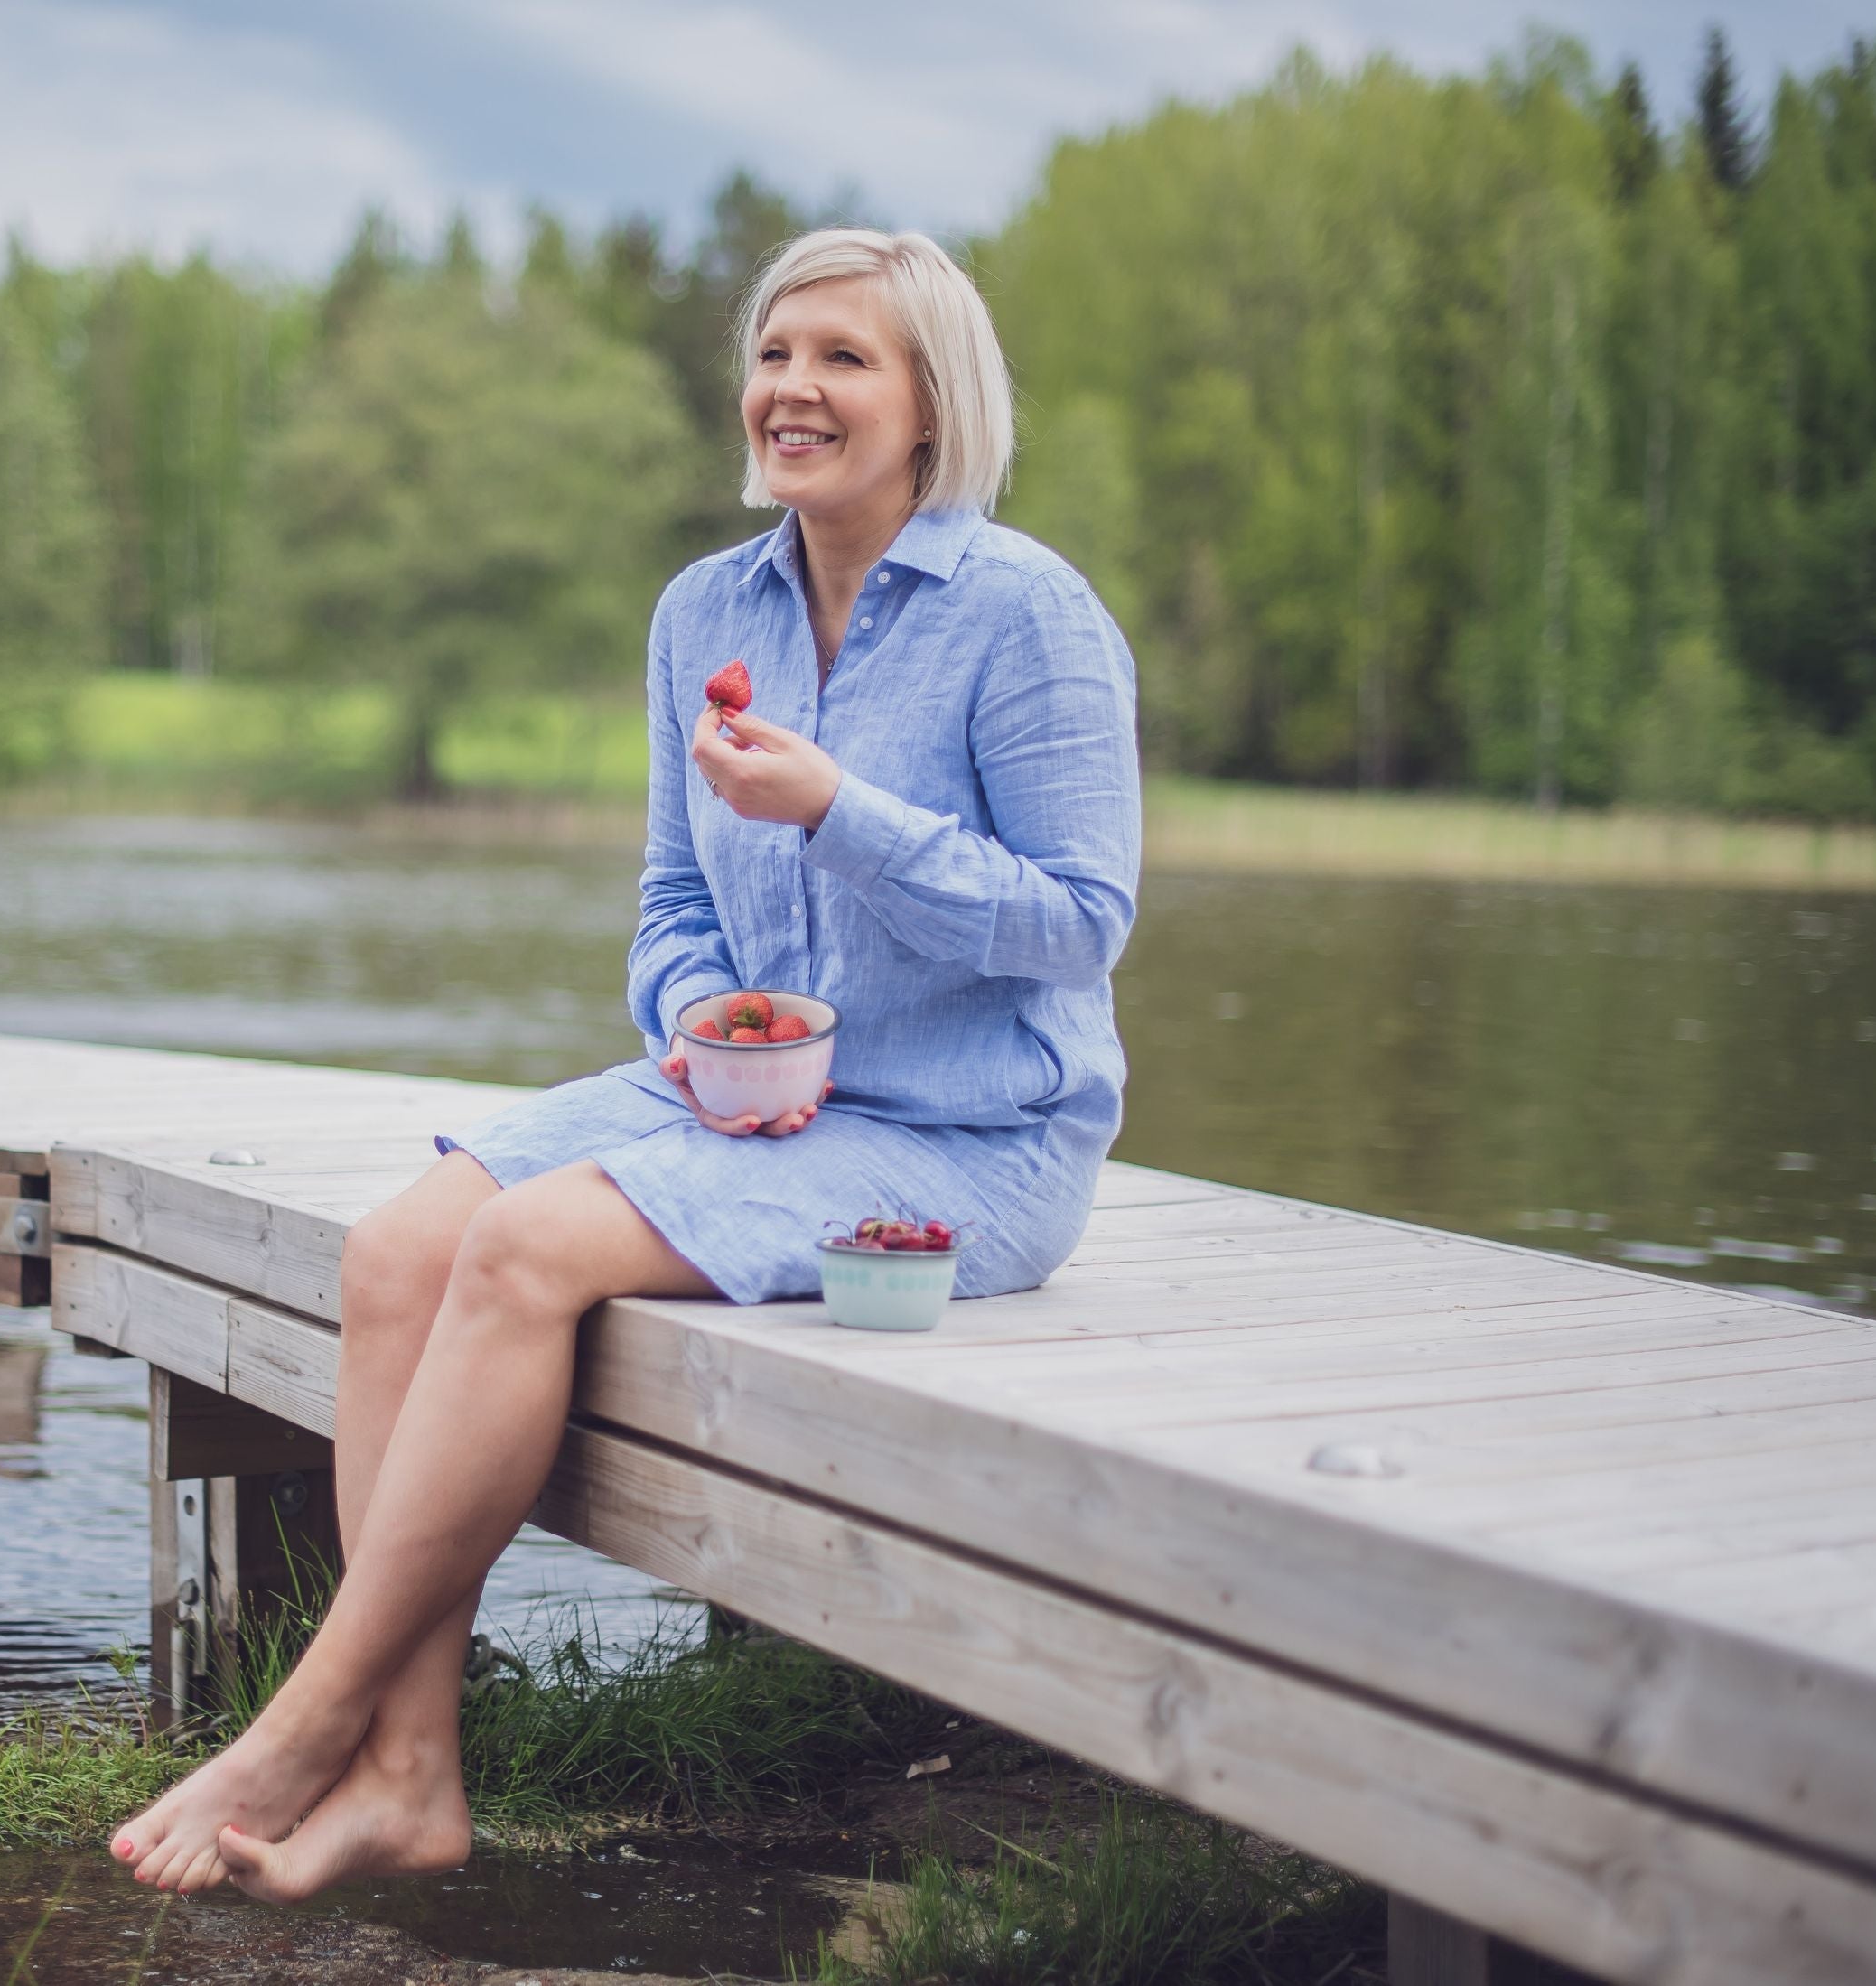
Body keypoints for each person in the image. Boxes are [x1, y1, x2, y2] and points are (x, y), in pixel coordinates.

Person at [109, 227, 1142, 1903]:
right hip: (749, 1098)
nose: (792, 389)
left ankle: (306, 1724)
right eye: (775, 352)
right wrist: (699, 1023)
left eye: (844, 359)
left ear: (933, 405)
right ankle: (413, 1778)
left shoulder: (1028, 617)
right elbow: (672, 902)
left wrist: (840, 813)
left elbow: (1084, 922)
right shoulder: (705, 610)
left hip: (972, 1138)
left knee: (526, 1251)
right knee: (396, 1254)